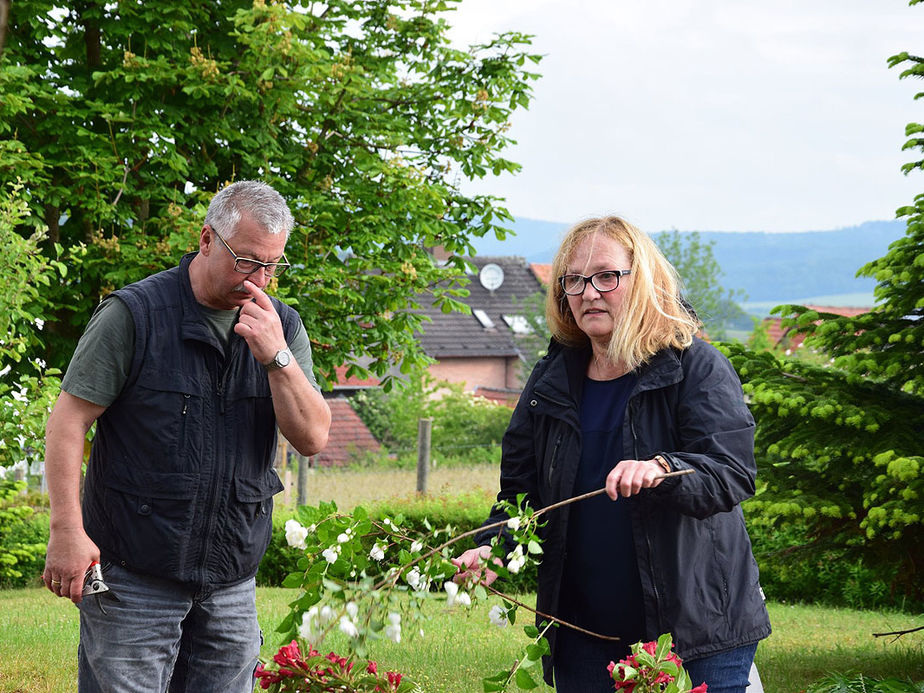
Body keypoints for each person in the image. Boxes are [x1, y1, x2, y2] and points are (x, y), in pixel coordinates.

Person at [454, 216, 770, 693]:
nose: (589, 292)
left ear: (641, 280)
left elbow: (731, 473)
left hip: (695, 630)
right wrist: (494, 548)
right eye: (575, 280)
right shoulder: (550, 381)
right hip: (585, 633)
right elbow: (521, 495)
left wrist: (665, 469)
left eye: (606, 276)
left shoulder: (694, 367)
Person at [42, 180, 332, 692]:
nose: (258, 278)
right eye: (245, 261)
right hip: (132, 578)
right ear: (206, 239)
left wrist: (276, 357)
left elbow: (312, 437)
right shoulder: (134, 315)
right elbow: (68, 420)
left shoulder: (281, 327)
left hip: (231, 584)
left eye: (271, 266)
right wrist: (67, 528)